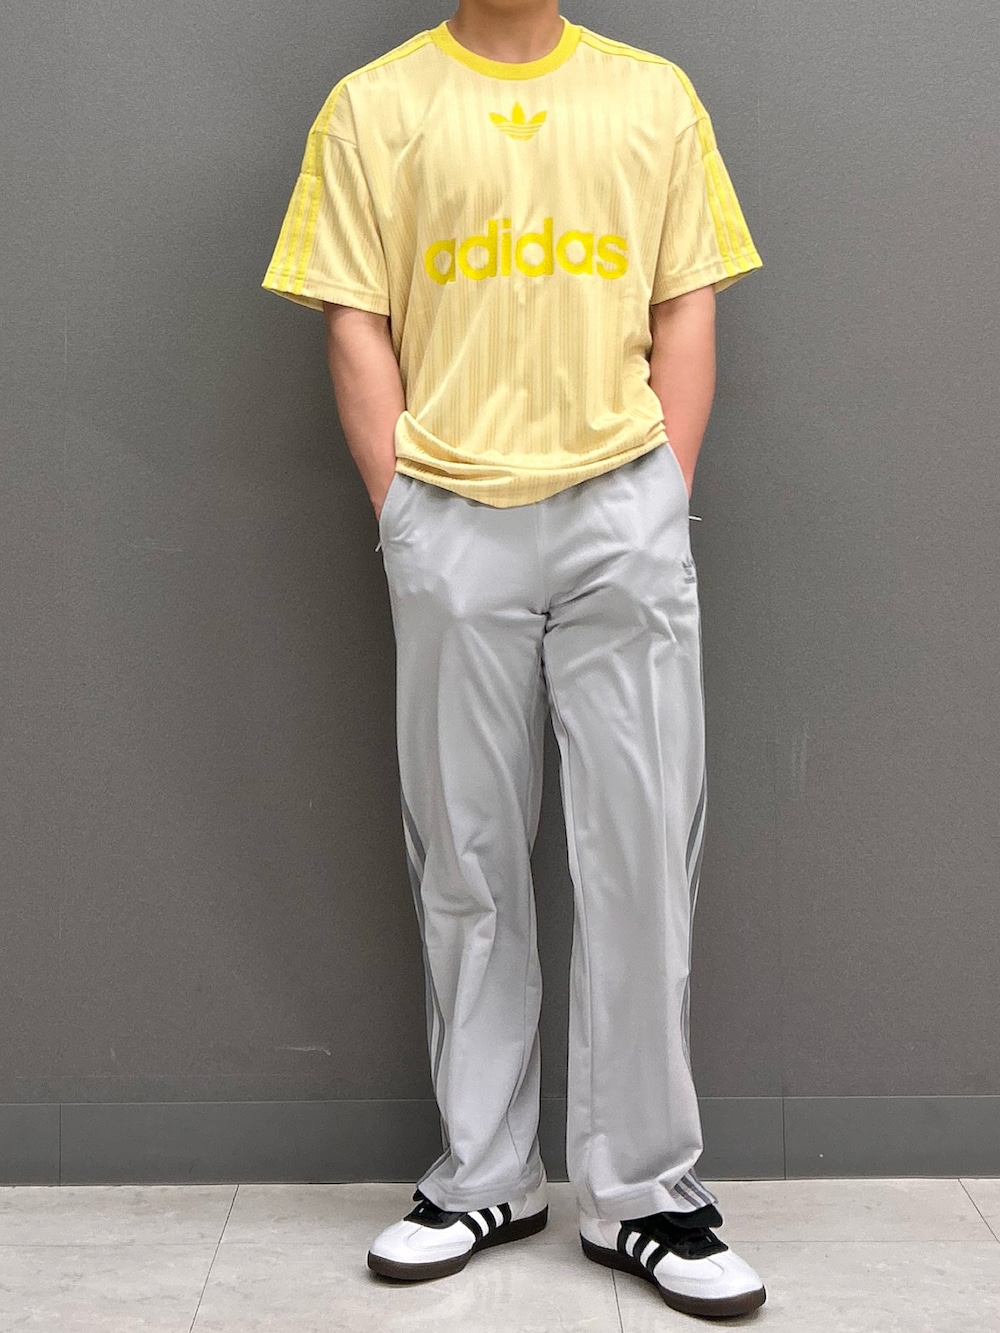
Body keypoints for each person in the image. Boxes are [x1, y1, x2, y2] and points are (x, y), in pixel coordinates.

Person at [262, 0, 765, 1318]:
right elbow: (354, 317)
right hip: (451, 515)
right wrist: (405, 519)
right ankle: (485, 1173)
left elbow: (687, 299)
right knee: (468, 854)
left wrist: (662, 496)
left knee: (641, 852)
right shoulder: (373, 106)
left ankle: (644, 1192)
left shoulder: (654, 95)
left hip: (621, 509)